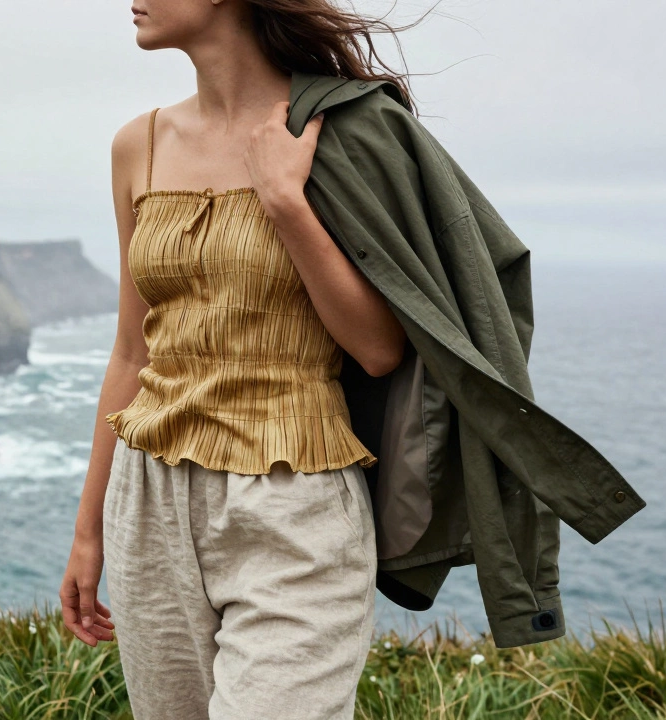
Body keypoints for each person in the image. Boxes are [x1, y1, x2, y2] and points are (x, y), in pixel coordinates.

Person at [59, 1, 437, 717]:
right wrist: (88, 534)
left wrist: (285, 201)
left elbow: (379, 350)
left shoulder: (338, 131)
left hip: (294, 504)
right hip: (149, 500)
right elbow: (133, 351)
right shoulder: (138, 145)